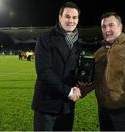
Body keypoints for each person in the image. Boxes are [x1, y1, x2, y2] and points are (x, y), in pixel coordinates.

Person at [79, 12, 125, 131]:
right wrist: (81, 90)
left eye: (111, 25)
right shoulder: (99, 53)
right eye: (104, 27)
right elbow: (96, 80)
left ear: (120, 27)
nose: (107, 29)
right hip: (104, 112)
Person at [31, 2, 81, 131]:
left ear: (78, 19)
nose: (71, 20)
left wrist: (82, 84)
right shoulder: (45, 39)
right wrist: (69, 91)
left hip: (67, 107)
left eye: (74, 17)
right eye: (67, 16)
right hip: (47, 105)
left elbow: (73, 71)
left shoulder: (77, 43)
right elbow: (44, 72)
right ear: (60, 17)